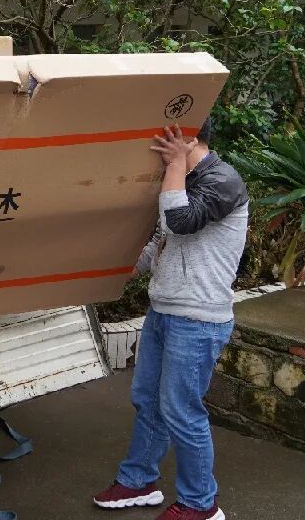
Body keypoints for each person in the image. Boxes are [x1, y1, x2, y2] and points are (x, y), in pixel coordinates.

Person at [93, 119, 248, 520]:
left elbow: (180, 220)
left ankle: (201, 504)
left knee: (182, 411)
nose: (158, 152)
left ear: (188, 138)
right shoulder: (180, 181)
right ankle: (139, 480)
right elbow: (163, 241)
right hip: (163, 311)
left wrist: (176, 165)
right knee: (148, 401)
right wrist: (112, 270)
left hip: (198, 319)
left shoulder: (223, 180)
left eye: (165, 142)